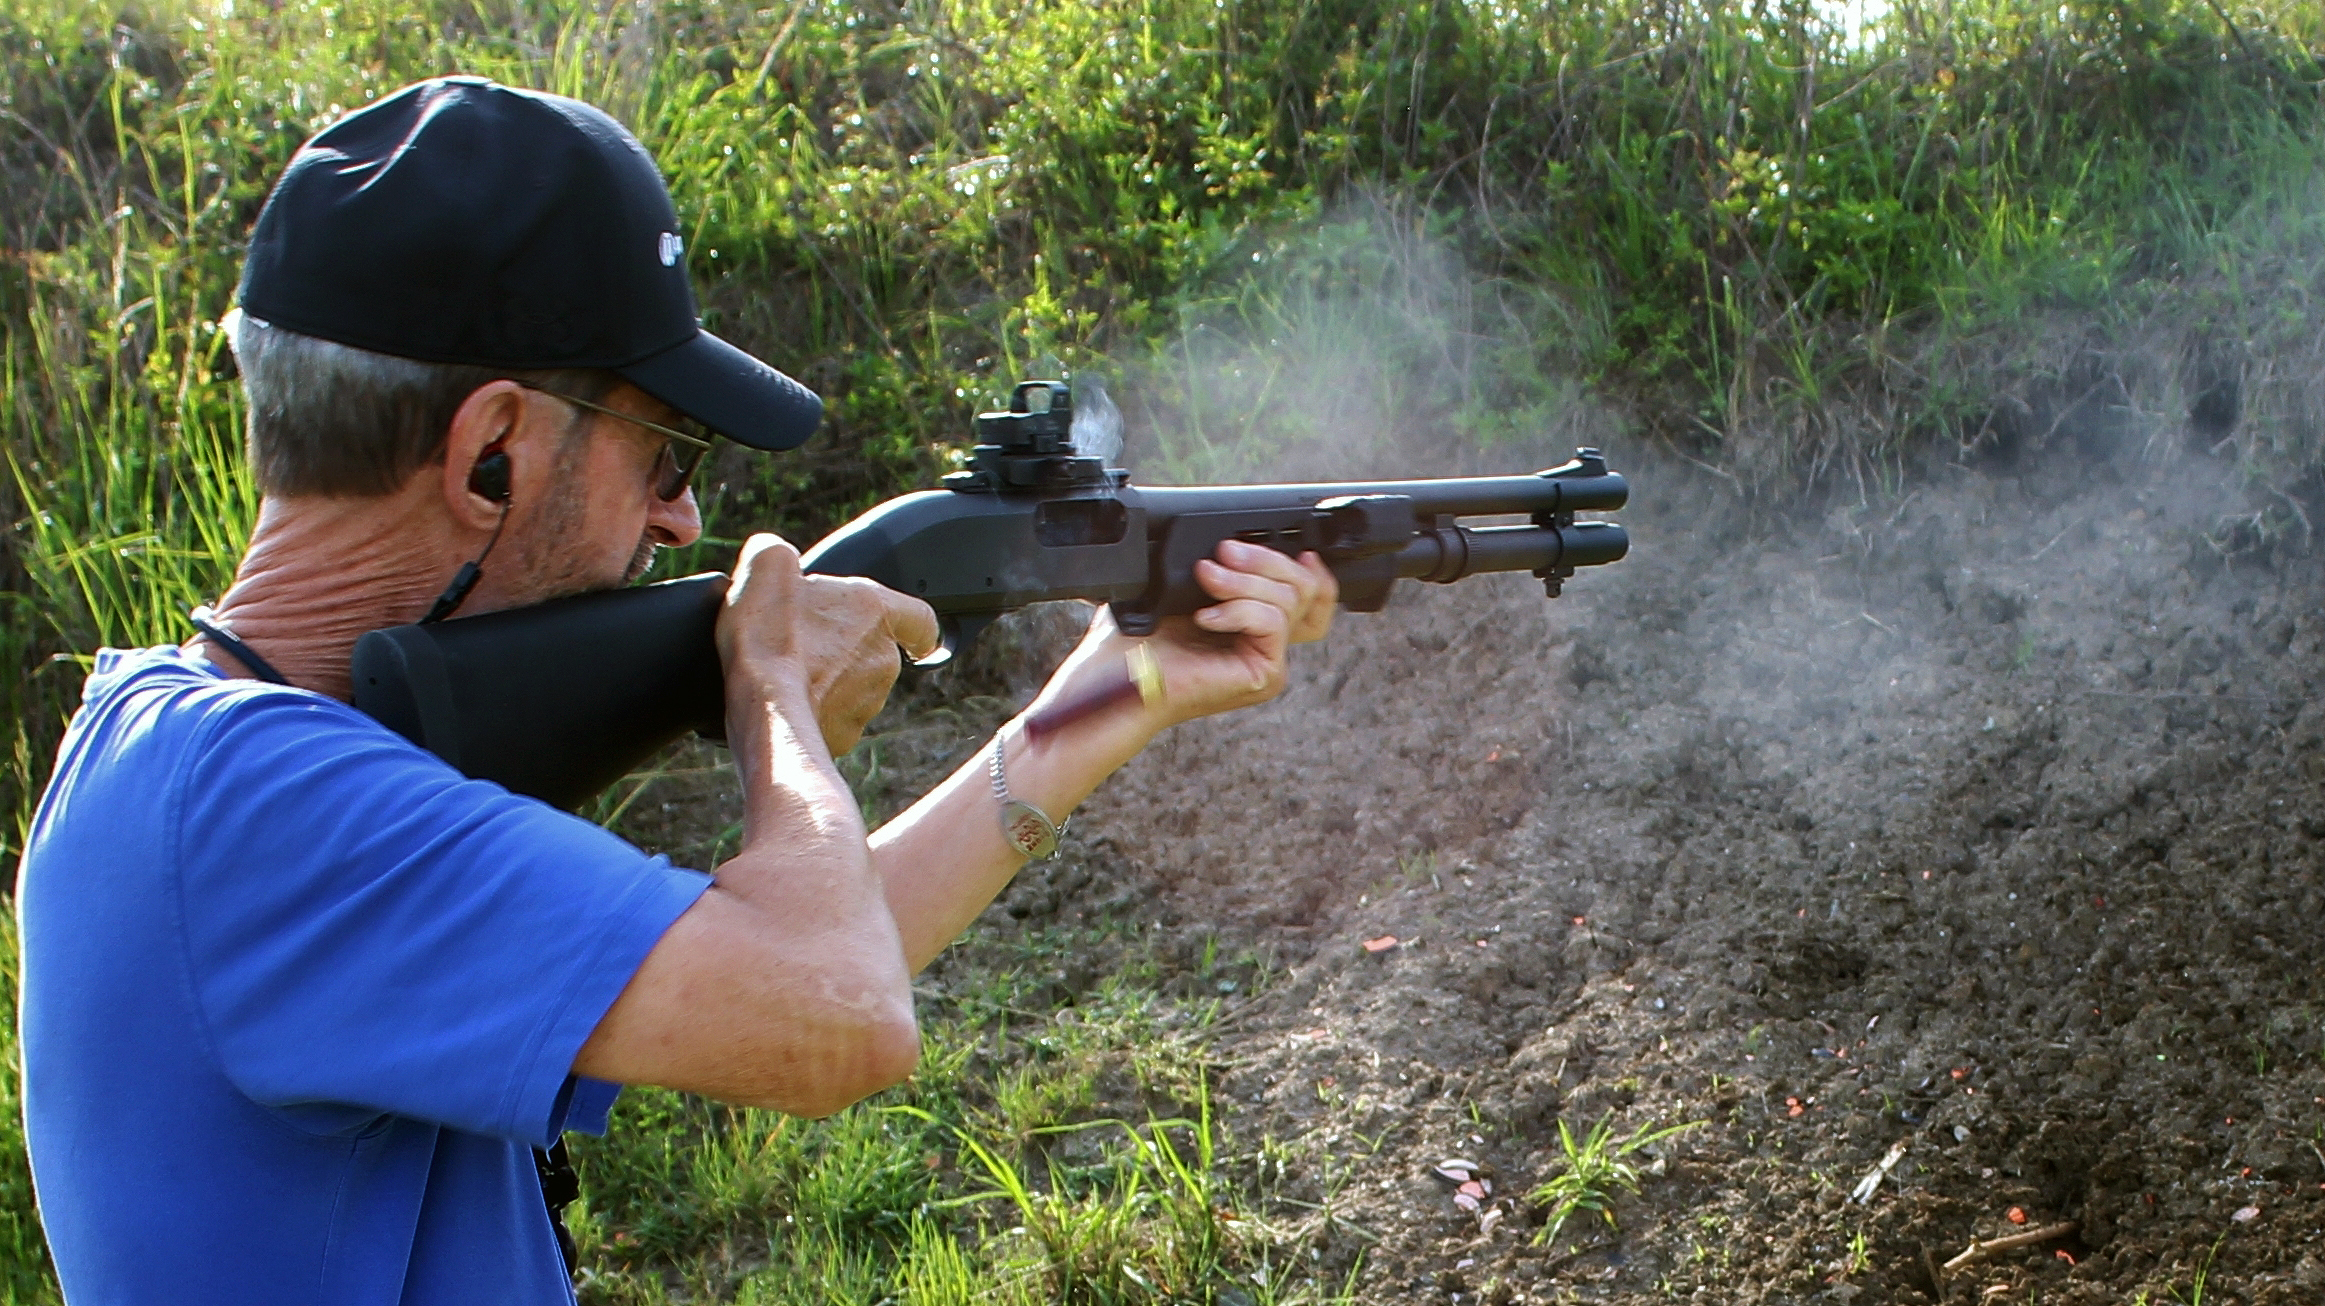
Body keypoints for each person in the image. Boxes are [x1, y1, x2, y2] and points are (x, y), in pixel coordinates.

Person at [14, 77, 1335, 1305]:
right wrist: (768, 689)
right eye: (665, 452)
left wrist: (1114, 690)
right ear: (491, 454)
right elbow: (839, 1015)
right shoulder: (265, 808)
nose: (684, 512)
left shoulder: (190, 763)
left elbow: (802, 960)